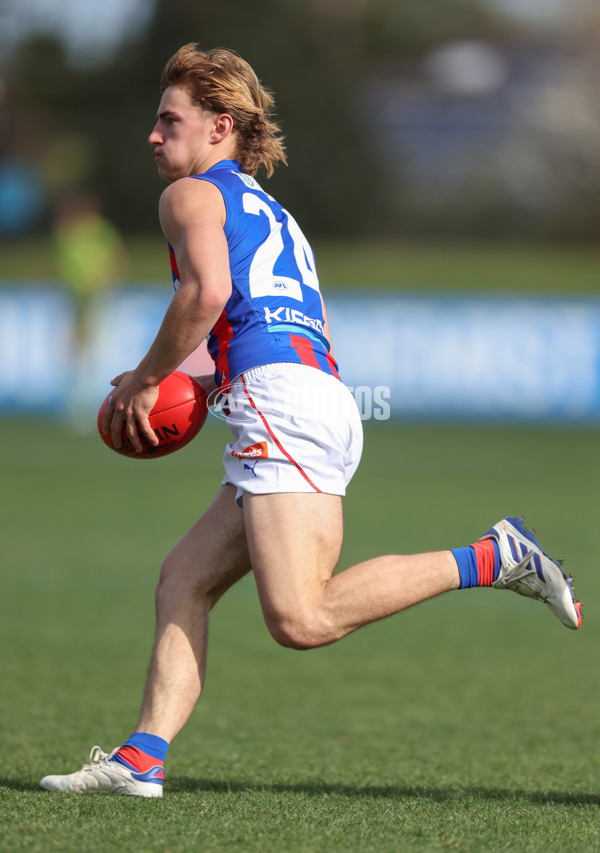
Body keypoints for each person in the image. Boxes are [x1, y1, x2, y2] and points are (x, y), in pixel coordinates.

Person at [40, 44, 582, 798]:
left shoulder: (189, 198)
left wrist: (145, 377)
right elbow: (259, 320)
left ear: (220, 126)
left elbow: (203, 298)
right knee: (184, 580)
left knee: (302, 617)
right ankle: (141, 759)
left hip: (281, 405)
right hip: (312, 394)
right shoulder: (270, 211)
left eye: (171, 120)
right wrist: (190, 378)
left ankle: (492, 557)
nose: (155, 136)